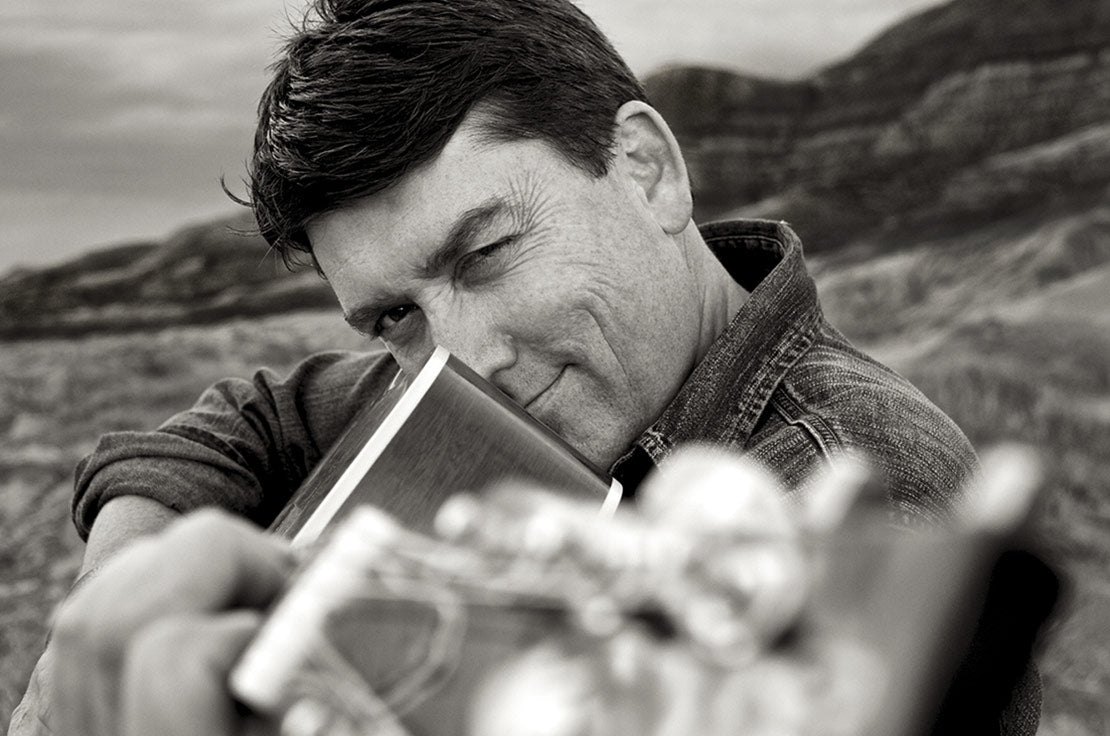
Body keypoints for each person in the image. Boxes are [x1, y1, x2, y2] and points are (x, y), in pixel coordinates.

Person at [9, 0, 1045, 733]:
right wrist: (116, 590)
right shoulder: (517, 373)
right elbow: (255, 414)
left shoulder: (865, 491)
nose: (462, 363)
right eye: (395, 317)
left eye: (488, 253)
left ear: (647, 168)